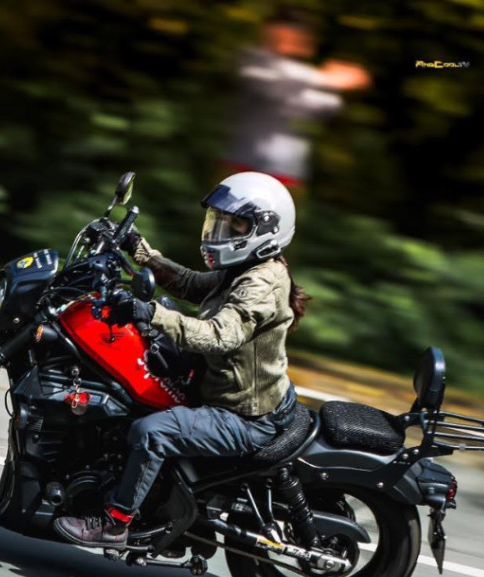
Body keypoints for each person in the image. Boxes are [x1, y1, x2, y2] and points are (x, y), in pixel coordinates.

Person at [54, 172, 310, 548]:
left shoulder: (261, 283)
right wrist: (138, 249)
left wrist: (150, 312)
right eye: (220, 220)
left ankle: (115, 524)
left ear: (266, 229)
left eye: (235, 224)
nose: (221, 230)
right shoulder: (244, 267)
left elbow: (220, 336)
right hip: (222, 387)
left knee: (151, 432)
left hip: (244, 415)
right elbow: (189, 284)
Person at [224, 10, 371, 187]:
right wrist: (329, 78)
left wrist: (334, 83)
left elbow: (328, 105)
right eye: (283, 34)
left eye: (297, 34)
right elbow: (270, 82)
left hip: (285, 173)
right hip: (240, 167)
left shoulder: (301, 79)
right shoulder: (253, 60)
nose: (291, 40)